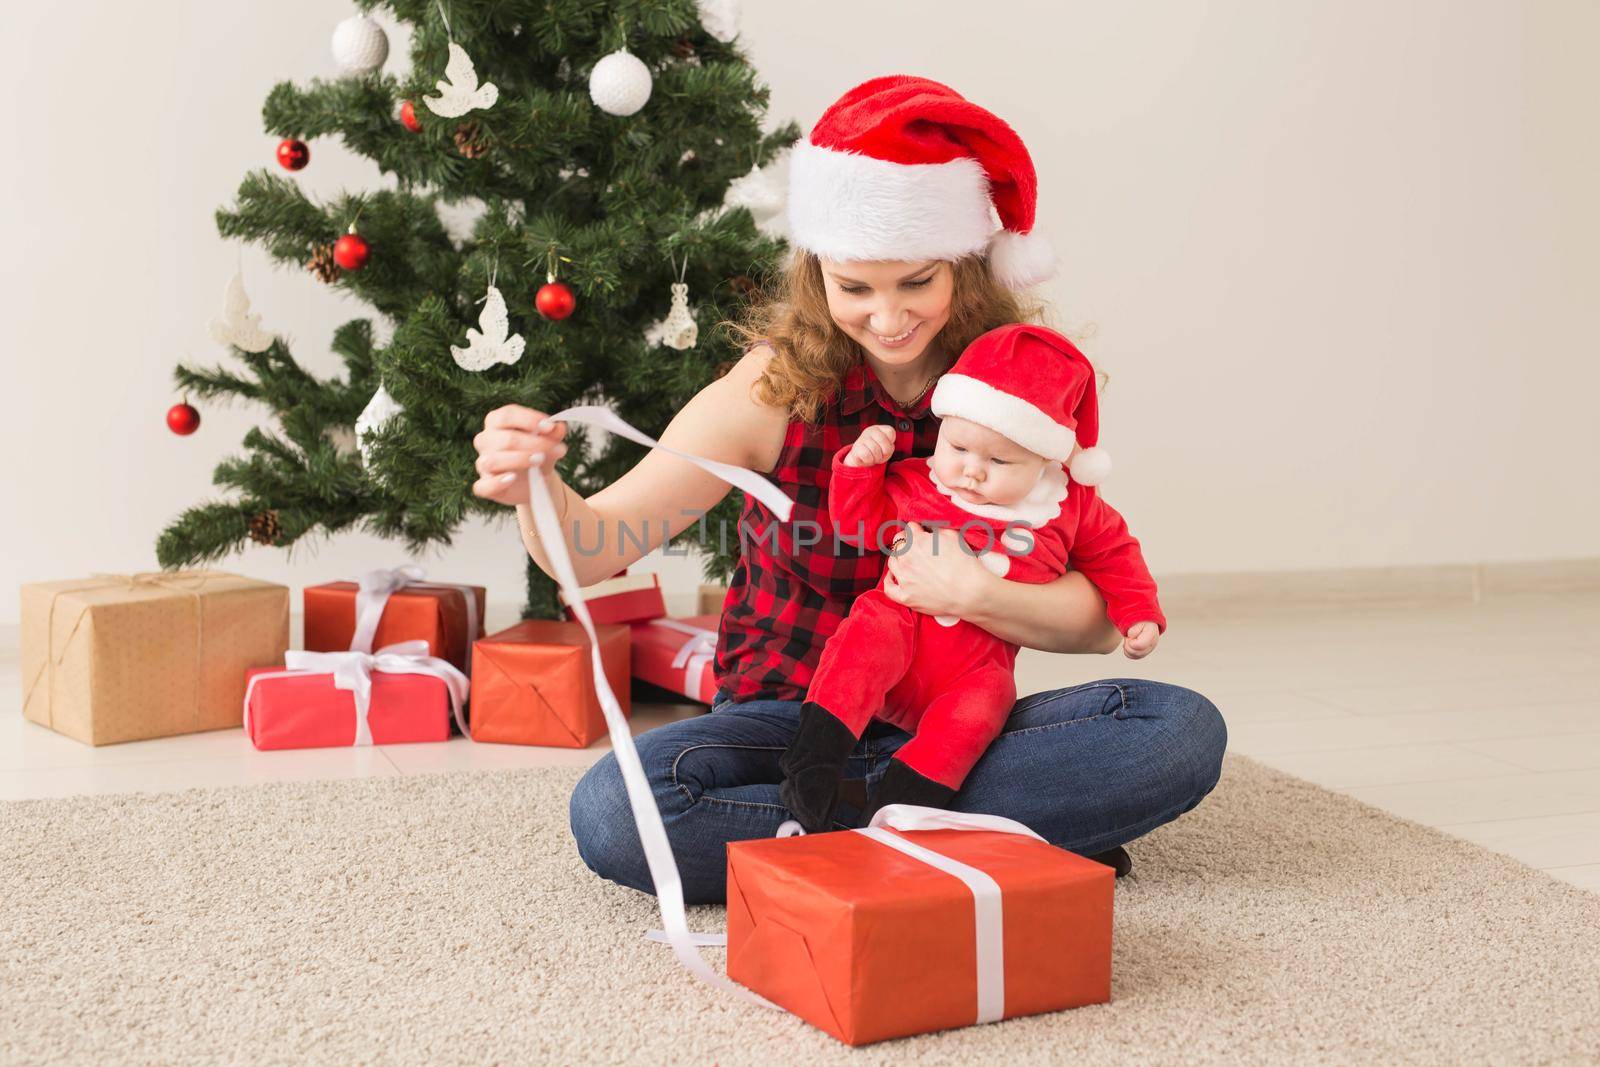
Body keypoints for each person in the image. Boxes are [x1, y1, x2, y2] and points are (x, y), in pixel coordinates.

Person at [470, 75, 1227, 904]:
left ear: (967, 272)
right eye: (855, 286)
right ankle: (955, 830)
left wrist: (972, 592)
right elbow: (593, 552)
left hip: (950, 727)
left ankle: (854, 828)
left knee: (1176, 732)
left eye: (917, 283)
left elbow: (1096, 623)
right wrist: (535, 486)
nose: (887, 316)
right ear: (817, 274)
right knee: (618, 810)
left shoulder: (1018, 391)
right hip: (788, 723)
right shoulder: (771, 390)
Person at [778, 323, 1167, 834]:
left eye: (1000, 460)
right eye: (959, 448)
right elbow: (857, 524)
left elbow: (1116, 555)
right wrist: (860, 469)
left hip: (974, 667)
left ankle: (902, 813)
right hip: (903, 632)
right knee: (868, 633)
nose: (972, 472)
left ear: (1046, 458)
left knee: (987, 704)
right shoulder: (922, 481)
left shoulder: (1070, 506)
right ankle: (814, 769)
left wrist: (1140, 614)